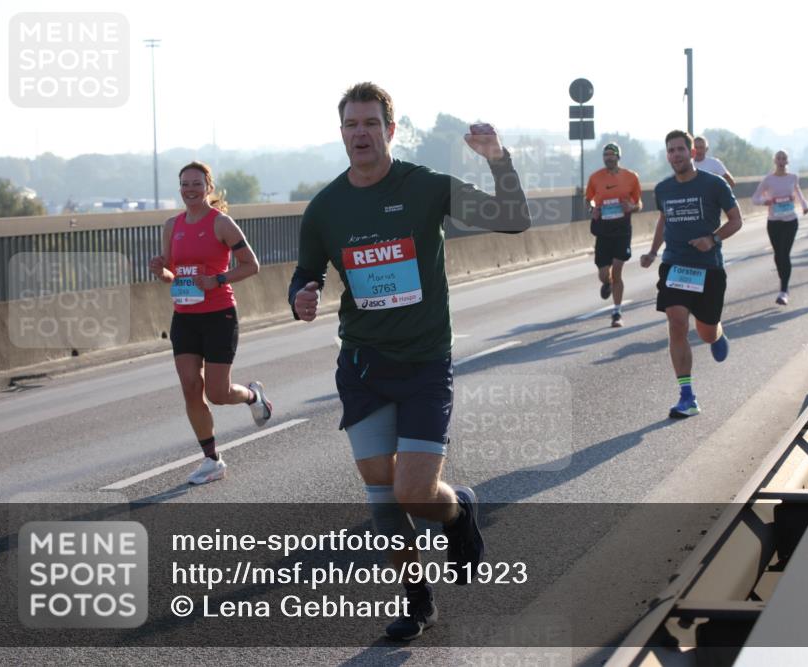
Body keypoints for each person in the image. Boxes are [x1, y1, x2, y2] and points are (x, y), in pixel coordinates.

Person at [288, 82, 530, 641]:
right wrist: (301, 295)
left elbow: (513, 218)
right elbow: (308, 273)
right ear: (342, 133)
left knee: (415, 494)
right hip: (364, 366)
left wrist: (498, 159)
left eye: (371, 124)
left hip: (423, 364)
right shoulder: (325, 208)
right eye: (352, 125)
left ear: (390, 131)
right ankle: (416, 601)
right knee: (381, 496)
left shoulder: (422, 188)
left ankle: (459, 511)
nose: (361, 134)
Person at [148, 161, 273, 485]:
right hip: (185, 316)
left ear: (208, 188)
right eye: (185, 184)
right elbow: (171, 274)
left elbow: (252, 265)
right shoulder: (171, 225)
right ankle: (212, 459)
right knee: (191, 387)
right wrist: (160, 270)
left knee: (217, 393)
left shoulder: (222, 224)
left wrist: (217, 279)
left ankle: (252, 397)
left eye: (196, 184)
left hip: (219, 315)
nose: (190, 189)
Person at [640, 130, 742, 419]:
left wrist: (713, 239)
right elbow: (664, 220)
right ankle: (687, 396)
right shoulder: (663, 189)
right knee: (676, 321)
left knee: (706, 331)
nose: (676, 155)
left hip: (708, 267)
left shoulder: (714, 184)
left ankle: (717, 333)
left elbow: (736, 220)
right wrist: (652, 251)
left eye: (680, 150)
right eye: (670, 151)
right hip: (675, 264)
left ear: (692, 153)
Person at [585, 142, 642, 327]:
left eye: (612, 154)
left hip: (622, 230)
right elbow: (589, 201)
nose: (609, 157)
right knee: (604, 274)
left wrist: (631, 207)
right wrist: (592, 209)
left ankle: (617, 313)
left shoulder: (631, 177)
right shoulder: (595, 178)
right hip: (603, 231)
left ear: (618, 157)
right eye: (606, 154)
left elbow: (639, 204)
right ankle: (607, 283)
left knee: (617, 270)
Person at [752, 150, 808, 306]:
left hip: (790, 220)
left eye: (784, 158)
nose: (781, 160)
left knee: (785, 253)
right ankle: (783, 279)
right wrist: (766, 201)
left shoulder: (793, 177)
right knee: (778, 255)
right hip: (774, 221)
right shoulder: (768, 180)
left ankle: (784, 290)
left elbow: (797, 191)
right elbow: (755, 198)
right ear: (775, 161)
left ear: (787, 161)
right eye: (779, 158)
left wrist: (804, 205)